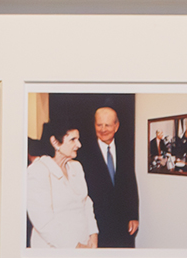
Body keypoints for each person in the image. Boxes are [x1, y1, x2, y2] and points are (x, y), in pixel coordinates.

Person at [25, 122, 99, 248]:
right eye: (72, 140)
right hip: (54, 249)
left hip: (84, 245)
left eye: (78, 139)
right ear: (54, 142)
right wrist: (76, 246)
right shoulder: (37, 171)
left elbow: (86, 203)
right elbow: (43, 221)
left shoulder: (76, 167)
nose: (79, 145)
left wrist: (93, 236)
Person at [78, 105, 139, 248]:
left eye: (107, 125)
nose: (103, 129)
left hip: (123, 225)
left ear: (116, 126)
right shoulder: (83, 152)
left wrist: (133, 215)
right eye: (99, 125)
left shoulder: (126, 147)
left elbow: (130, 183)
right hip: (97, 225)